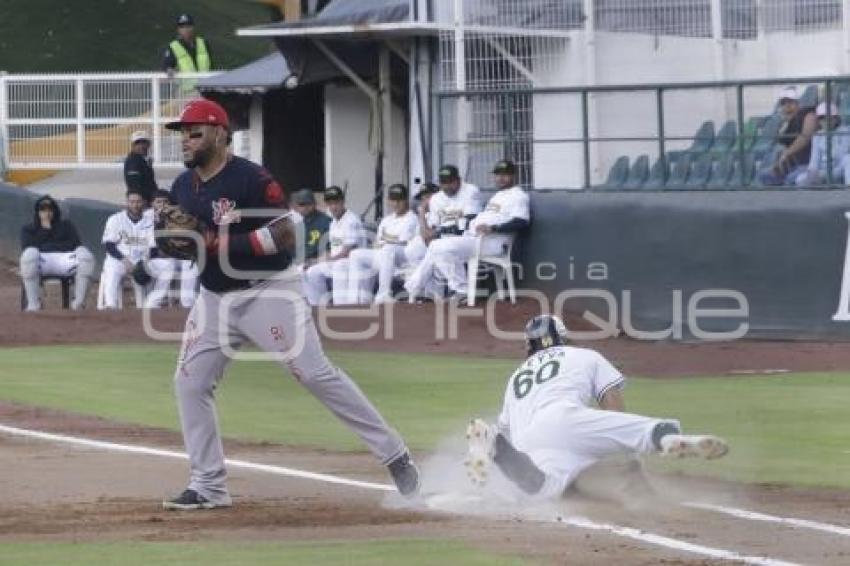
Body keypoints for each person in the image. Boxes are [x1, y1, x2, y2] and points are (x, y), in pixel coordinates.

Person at [159, 99, 418, 509]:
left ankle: (395, 454)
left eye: (194, 131)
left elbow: (284, 235)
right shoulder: (181, 187)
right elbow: (188, 246)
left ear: (220, 134)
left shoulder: (251, 179)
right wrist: (174, 242)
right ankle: (208, 486)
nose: (186, 141)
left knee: (314, 374)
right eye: (182, 133)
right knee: (189, 383)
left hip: (269, 291)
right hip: (214, 298)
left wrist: (220, 242)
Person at [464, 315, 729, 500]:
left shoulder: (516, 377)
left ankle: (496, 447)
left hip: (527, 442)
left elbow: (510, 428)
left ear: (529, 345)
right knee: (646, 430)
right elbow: (611, 402)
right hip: (564, 419)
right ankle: (672, 438)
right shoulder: (584, 355)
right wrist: (622, 447)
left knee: (543, 489)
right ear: (563, 338)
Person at [404, 160, 529, 301]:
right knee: (436, 247)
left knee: (439, 246)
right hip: (475, 238)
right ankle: (451, 289)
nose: (500, 178)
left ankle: (419, 286)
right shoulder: (499, 195)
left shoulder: (519, 196)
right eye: (497, 175)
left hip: (492, 242)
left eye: (505, 175)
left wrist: (493, 227)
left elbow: (522, 221)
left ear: (514, 176)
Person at [19, 195, 94, 311]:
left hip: (64, 261)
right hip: (41, 262)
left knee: (86, 257)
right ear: (37, 212)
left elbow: (75, 244)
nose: (47, 213)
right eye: (43, 210)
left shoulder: (66, 226)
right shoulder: (29, 229)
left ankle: (79, 303)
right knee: (29, 256)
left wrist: (47, 245)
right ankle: (34, 305)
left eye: (50, 210)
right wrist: (45, 230)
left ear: (55, 211)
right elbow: (27, 246)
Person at [348, 184, 418, 304]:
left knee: (388, 249)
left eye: (399, 200)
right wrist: (383, 245)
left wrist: (384, 244)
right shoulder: (387, 220)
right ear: (388, 201)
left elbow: (402, 243)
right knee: (355, 254)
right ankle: (357, 300)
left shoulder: (412, 219)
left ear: (406, 200)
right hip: (384, 256)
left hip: (403, 259)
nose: (395, 203)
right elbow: (377, 243)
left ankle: (383, 294)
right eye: (393, 200)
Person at [99, 189, 170, 309]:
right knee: (111, 269)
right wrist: (124, 260)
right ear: (126, 202)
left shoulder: (150, 222)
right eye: (132, 202)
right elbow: (109, 245)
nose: (135, 205)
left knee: (168, 266)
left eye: (138, 202)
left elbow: (153, 248)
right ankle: (110, 304)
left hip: (142, 260)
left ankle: (153, 302)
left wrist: (143, 263)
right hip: (120, 259)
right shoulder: (115, 219)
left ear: (143, 203)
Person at [303, 185, 365, 306]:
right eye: (330, 203)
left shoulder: (351, 220)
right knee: (310, 271)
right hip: (337, 260)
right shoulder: (334, 222)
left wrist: (323, 260)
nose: (333, 207)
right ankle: (319, 307)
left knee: (339, 266)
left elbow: (346, 253)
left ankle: (340, 306)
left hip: (352, 263)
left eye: (336, 203)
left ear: (343, 202)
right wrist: (317, 261)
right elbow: (334, 249)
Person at [758, 86, 818, 186]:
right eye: (783, 104)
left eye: (790, 103)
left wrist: (787, 153)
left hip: (809, 165)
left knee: (791, 179)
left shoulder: (809, 115)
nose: (787, 107)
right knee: (764, 175)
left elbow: (805, 137)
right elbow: (780, 148)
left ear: (798, 103)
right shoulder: (787, 123)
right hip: (794, 166)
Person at [150, 189, 199, 308]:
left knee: (189, 263)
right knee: (168, 265)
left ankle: (187, 303)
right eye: (158, 202)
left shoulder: (179, 216)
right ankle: (154, 304)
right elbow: (152, 249)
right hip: (154, 259)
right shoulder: (145, 218)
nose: (162, 205)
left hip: (177, 257)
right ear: (152, 204)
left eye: (165, 202)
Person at [795, 102, 850, 186]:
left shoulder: (845, 131)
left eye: (829, 118)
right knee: (800, 179)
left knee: (848, 158)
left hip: (839, 168)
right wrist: (812, 172)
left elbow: (841, 153)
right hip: (824, 170)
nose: (825, 121)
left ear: (836, 118)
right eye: (822, 118)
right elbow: (814, 160)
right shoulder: (817, 136)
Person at [404, 182, 440, 269]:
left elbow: (426, 236)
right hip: (415, 261)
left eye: (427, 197)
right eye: (422, 198)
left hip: (432, 259)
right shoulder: (422, 216)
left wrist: (422, 211)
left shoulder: (438, 213)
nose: (424, 200)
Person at [291, 188, 331, 267]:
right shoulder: (298, 225)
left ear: (314, 204)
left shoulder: (326, 222)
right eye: (301, 204)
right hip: (300, 265)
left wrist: (317, 260)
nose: (304, 207)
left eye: (308, 204)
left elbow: (334, 249)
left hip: (321, 264)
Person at [123, 130, 157, 204]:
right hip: (140, 202)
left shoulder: (143, 160)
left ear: (148, 144)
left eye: (144, 142)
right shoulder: (133, 161)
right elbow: (134, 185)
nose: (141, 146)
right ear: (132, 145)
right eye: (137, 143)